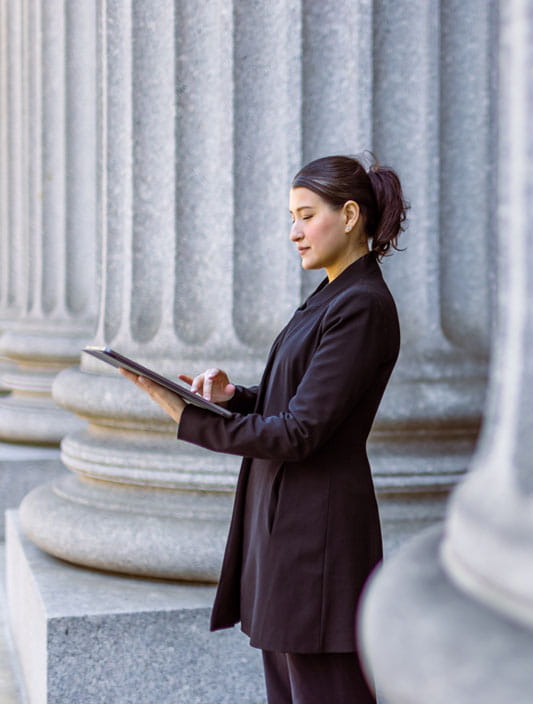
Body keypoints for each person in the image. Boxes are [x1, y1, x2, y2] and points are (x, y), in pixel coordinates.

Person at [123, 154, 406, 703]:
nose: (293, 232)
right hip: (289, 535)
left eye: (305, 215)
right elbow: (302, 402)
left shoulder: (362, 305)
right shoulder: (333, 295)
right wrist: (234, 398)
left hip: (317, 543)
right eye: (291, 217)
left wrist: (189, 419)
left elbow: (301, 432)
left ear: (349, 215)